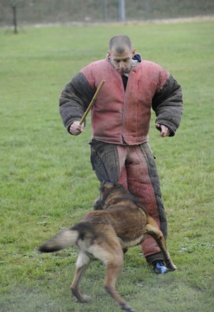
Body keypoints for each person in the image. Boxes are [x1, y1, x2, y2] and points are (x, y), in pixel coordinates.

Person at [59, 35, 183, 274]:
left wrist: (167, 121)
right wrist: (73, 121)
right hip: (106, 145)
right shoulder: (94, 72)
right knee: (118, 201)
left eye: (125, 60)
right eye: (116, 61)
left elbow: (171, 96)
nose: (121, 66)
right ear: (109, 55)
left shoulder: (153, 72)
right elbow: (71, 96)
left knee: (149, 199)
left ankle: (156, 255)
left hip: (139, 143)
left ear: (133, 53)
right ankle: (114, 249)